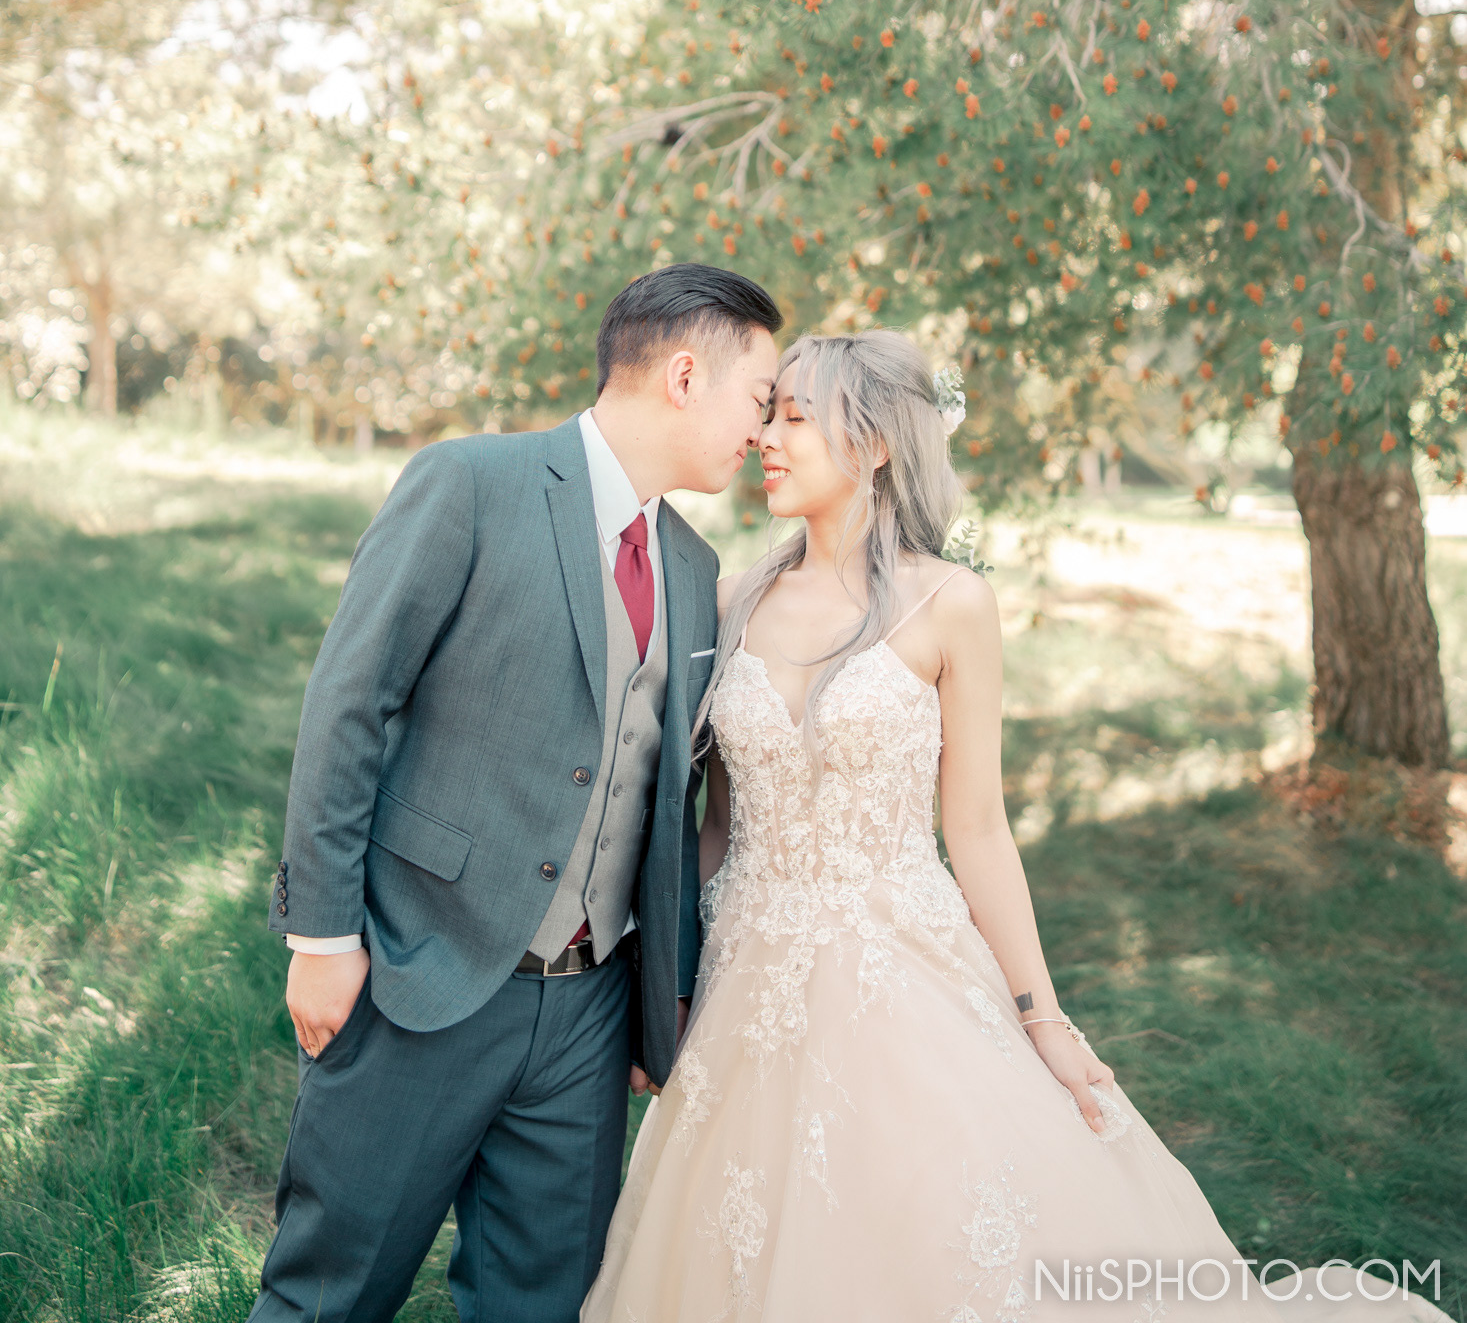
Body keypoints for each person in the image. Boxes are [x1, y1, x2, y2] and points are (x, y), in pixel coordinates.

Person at [583, 332, 1448, 1323]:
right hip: (747, 981)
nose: (765, 438)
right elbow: (714, 828)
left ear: (875, 444)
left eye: (795, 418)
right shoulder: (729, 600)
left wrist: (1042, 1016)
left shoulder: (951, 604)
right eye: (767, 415)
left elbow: (980, 829)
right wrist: (669, 988)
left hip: (897, 967)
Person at [248, 263, 782, 1323]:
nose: (761, 430)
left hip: (589, 1012)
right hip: (421, 974)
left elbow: (665, 799)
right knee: (330, 1294)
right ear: (685, 376)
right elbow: (350, 702)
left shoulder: (692, 565)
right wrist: (323, 937)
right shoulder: (469, 484)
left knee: (545, 1305)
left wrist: (659, 1001)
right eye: (759, 398)